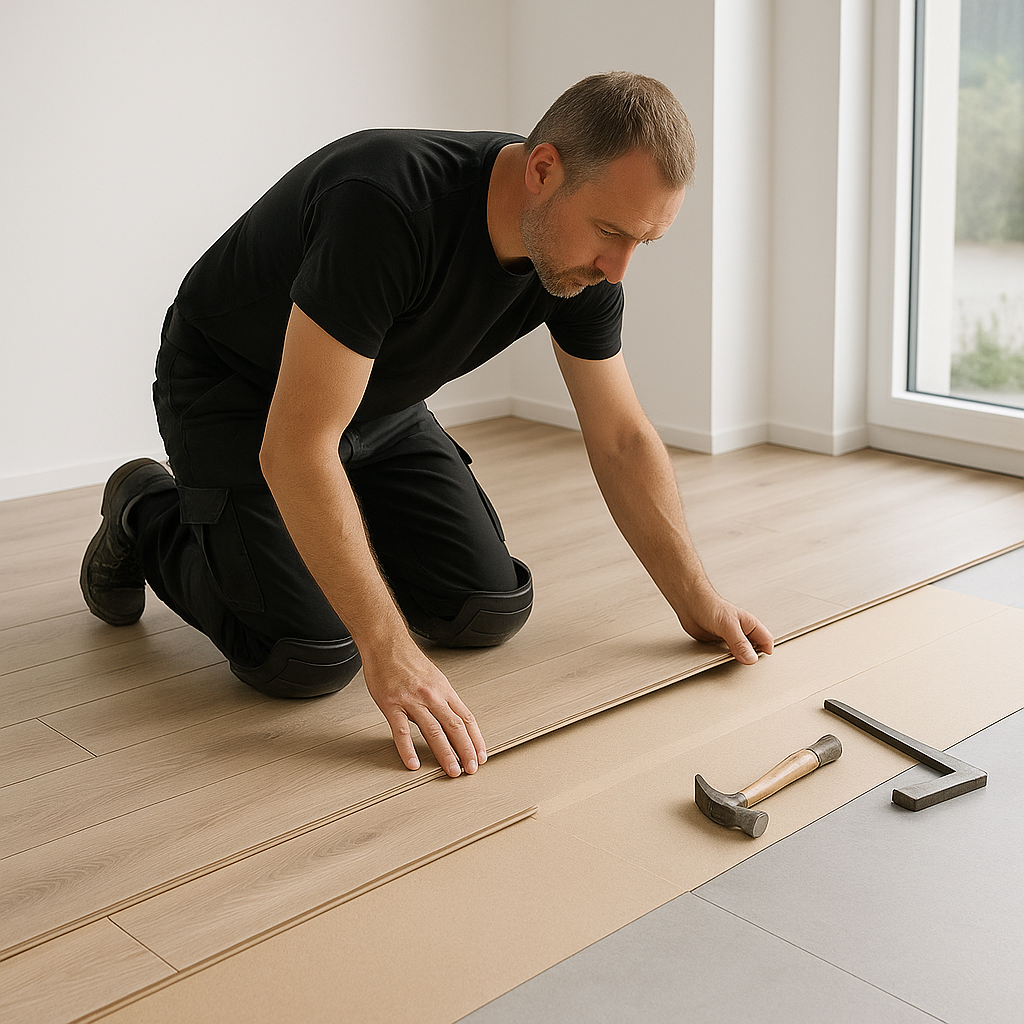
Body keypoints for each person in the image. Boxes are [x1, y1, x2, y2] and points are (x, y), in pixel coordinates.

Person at [81, 72, 774, 780]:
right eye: (611, 233)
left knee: (487, 608)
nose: (617, 267)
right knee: (304, 656)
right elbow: (297, 444)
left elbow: (622, 436)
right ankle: (144, 508)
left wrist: (698, 598)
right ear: (543, 170)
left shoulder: (580, 263)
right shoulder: (387, 207)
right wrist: (388, 650)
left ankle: (328, 537)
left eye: (642, 243)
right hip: (238, 390)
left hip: (375, 399)